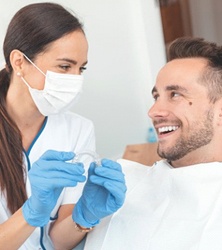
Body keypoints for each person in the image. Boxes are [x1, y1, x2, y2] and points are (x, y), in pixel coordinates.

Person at [83, 37, 222, 250]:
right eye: (156, 97)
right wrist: (80, 220)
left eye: (175, 95)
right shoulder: (122, 184)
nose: (153, 112)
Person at [0, 3, 126, 250]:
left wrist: (84, 216)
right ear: (19, 62)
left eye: (82, 68)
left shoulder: (78, 129)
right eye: (65, 67)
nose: (75, 79)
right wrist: (31, 212)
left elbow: (57, 242)